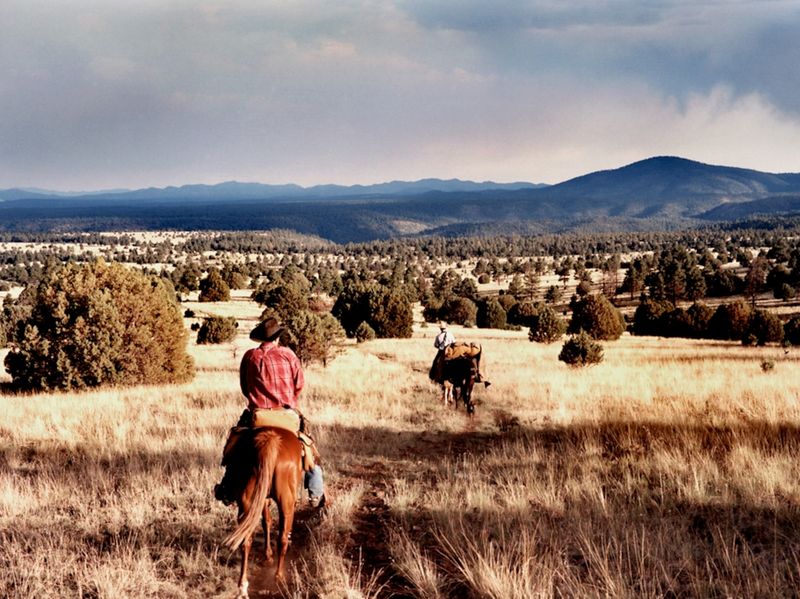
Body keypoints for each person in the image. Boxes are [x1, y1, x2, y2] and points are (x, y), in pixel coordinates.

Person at [214, 317, 325, 508]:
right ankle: (315, 490)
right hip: (287, 416)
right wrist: (287, 399)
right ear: (277, 337)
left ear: (260, 339)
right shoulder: (288, 355)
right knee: (308, 448)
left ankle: (227, 487)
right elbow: (299, 384)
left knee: (234, 447)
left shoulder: (250, 356)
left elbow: (245, 387)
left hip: (258, 417)